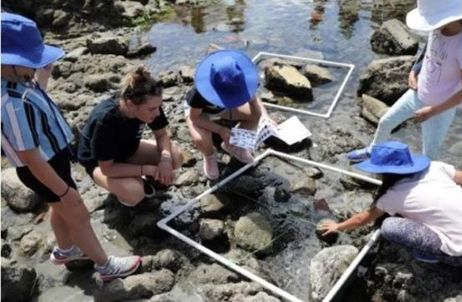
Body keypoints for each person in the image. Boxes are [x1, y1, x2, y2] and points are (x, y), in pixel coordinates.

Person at [1, 12, 141, 280]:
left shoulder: (17, 82)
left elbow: (36, 94)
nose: (35, 68)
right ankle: (106, 266)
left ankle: (65, 249)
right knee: (77, 212)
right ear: (11, 63)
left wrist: (43, 76)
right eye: (32, 62)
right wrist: (64, 189)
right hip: (43, 167)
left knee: (60, 208)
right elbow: (29, 155)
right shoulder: (12, 102)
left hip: (51, 160)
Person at [348, 0, 462, 161]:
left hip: (440, 108)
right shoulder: (438, 28)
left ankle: (428, 180)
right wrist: (414, 71)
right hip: (417, 93)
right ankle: (374, 150)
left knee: (430, 151)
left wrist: (432, 111)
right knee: (385, 121)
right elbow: (427, 52)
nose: (431, 24)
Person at [320, 141, 462, 267]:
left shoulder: (392, 196)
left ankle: (433, 256)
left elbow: (361, 220)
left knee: (389, 226)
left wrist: (338, 226)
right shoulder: (435, 167)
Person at [78, 65, 183, 207]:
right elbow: (107, 168)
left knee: (175, 157)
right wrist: (146, 169)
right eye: (152, 109)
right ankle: (130, 185)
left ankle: (139, 177)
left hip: (128, 149)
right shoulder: (105, 120)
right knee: (135, 193)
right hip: (100, 163)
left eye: (159, 107)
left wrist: (165, 160)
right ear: (130, 105)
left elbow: (162, 135)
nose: (157, 113)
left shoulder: (150, 104)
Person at [185, 49, 269, 180]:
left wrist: (265, 117)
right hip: (200, 112)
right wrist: (220, 130)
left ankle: (235, 145)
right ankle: (209, 156)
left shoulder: (240, 79)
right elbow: (195, 118)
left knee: (256, 115)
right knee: (201, 138)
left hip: (222, 108)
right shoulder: (199, 92)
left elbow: (254, 101)